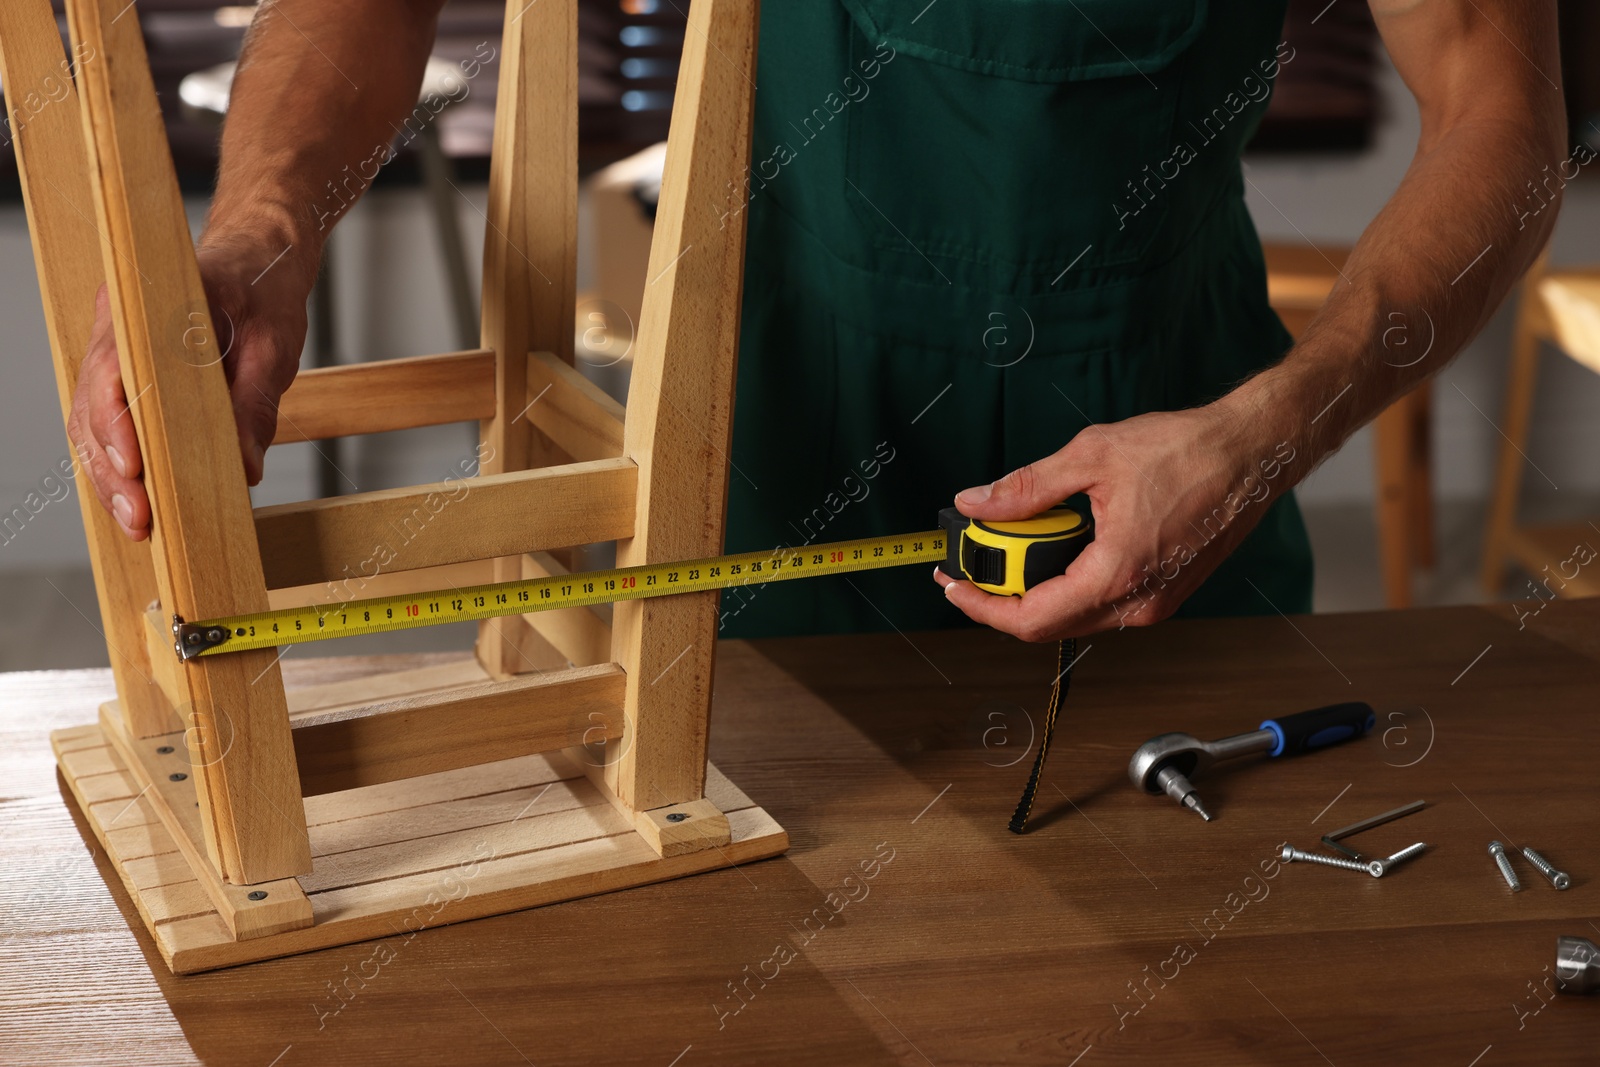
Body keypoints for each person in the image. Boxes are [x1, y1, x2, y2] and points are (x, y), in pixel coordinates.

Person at [66, 0, 1564, 644]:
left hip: (1183, 493)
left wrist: (1264, 430)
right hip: (758, 505)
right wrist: (260, 229)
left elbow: (1503, 106)